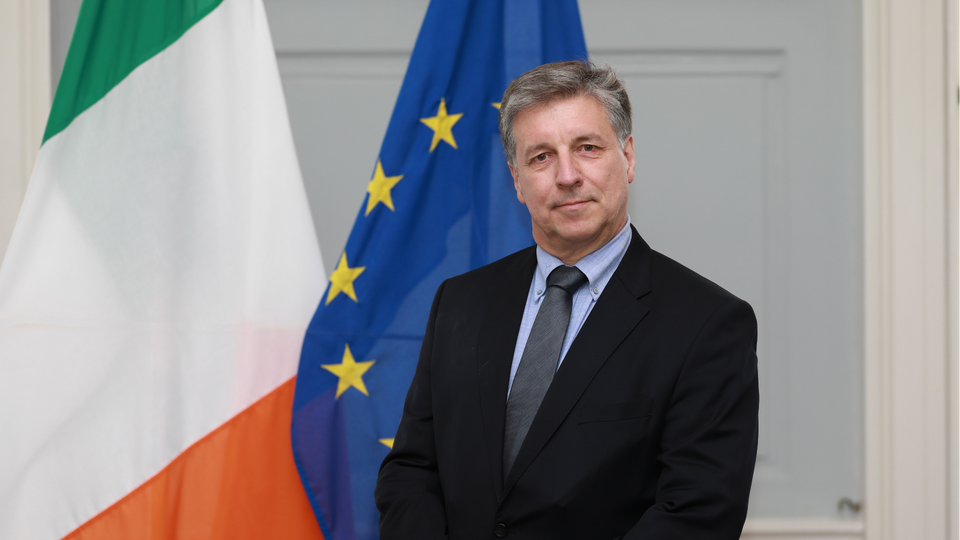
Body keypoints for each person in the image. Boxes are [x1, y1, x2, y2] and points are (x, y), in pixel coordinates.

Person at [375, 60, 759, 540]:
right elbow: (412, 469)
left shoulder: (708, 323)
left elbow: (697, 512)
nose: (567, 175)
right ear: (517, 180)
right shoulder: (461, 302)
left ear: (629, 157)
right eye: (541, 157)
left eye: (587, 148)